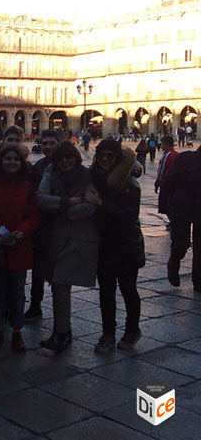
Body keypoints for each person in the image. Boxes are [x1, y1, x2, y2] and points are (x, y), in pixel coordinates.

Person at [0, 144, 39, 353]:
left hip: (19, 248)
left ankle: (17, 331)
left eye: (16, 159)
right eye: (7, 159)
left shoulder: (28, 187)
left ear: (22, 163)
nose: (12, 162)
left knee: (18, 292)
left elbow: (34, 216)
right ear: (0, 161)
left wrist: (23, 230)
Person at [36, 142, 99, 353]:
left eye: (68, 157)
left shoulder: (86, 176)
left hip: (78, 238)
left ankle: (60, 334)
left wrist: (62, 211)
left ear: (76, 157)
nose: (65, 161)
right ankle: (64, 330)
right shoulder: (51, 172)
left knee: (60, 283)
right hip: (56, 238)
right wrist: (68, 202)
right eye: (61, 158)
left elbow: (90, 207)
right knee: (57, 284)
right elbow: (41, 198)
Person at [89, 140, 145, 352]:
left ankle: (132, 330)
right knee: (106, 291)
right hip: (105, 244)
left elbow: (129, 216)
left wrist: (102, 204)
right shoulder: (96, 179)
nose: (104, 159)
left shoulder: (129, 183)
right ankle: (107, 334)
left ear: (117, 158)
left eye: (109, 156)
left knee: (128, 289)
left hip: (127, 244)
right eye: (101, 155)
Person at [25, 129, 60, 321]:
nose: (47, 146)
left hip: (59, 225)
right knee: (38, 269)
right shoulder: (38, 166)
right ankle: (35, 305)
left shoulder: (66, 165)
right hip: (41, 224)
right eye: (44, 143)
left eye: (51, 143)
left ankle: (60, 315)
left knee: (58, 274)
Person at [161, 144, 201, 291]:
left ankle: (198, 281)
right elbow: (168, 181)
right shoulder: (185, 159)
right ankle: (173, 264)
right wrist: (164, 206)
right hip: (181, 210)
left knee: (200, 248)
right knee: (181, 244)